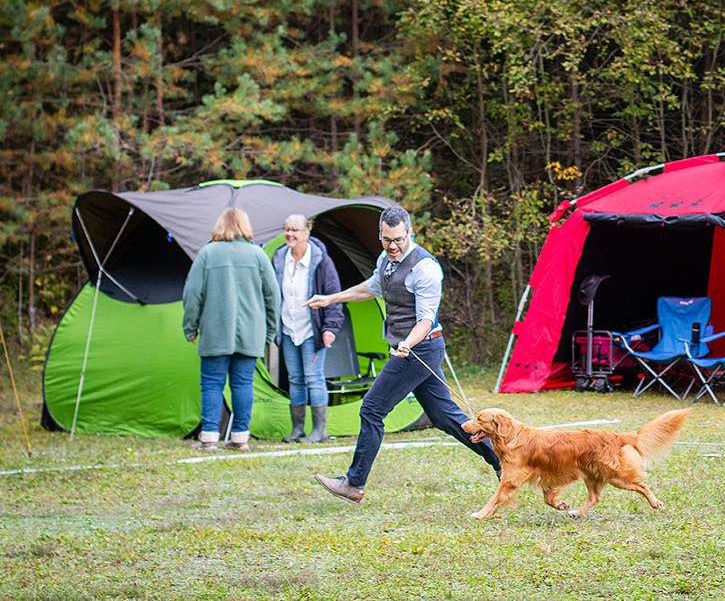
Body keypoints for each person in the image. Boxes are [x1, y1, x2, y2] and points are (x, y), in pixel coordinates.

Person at [304, 205, 501, 503]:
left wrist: (407, 343)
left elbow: (425, 319)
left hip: (418, 349)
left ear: (410, 233)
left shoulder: (426, 268)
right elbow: (370, 289)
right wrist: (331, 298)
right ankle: (503, 460)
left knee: (371, 408)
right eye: (386, 240)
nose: (393, 246)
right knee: (444, 416)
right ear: (380, 236)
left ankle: (354, 484)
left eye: (399, 239)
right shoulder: (385, 259)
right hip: (407, 349)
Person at [182, 207, 280, 452]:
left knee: (212, 384)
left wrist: (190, 326)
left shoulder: (207, 254)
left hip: (215, 333)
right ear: (245, 226)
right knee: (243, 384)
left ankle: (209, 438)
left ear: (220, 225)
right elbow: (273, 296)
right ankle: (239, 437)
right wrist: (269, 331)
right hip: (251, 333)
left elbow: (192, 294)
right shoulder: (258, 255)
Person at [272, 214, 344, 444]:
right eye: (286, 229)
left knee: (314, 378)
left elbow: (333, 297)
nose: (289, 234)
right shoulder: (279, 257)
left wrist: (330, 328)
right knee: (295, 379)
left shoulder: (322, 261)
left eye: (294, 230)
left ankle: (319, 431)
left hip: (312, 331)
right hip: (288, 329)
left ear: (306, 233)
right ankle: (297, 430)